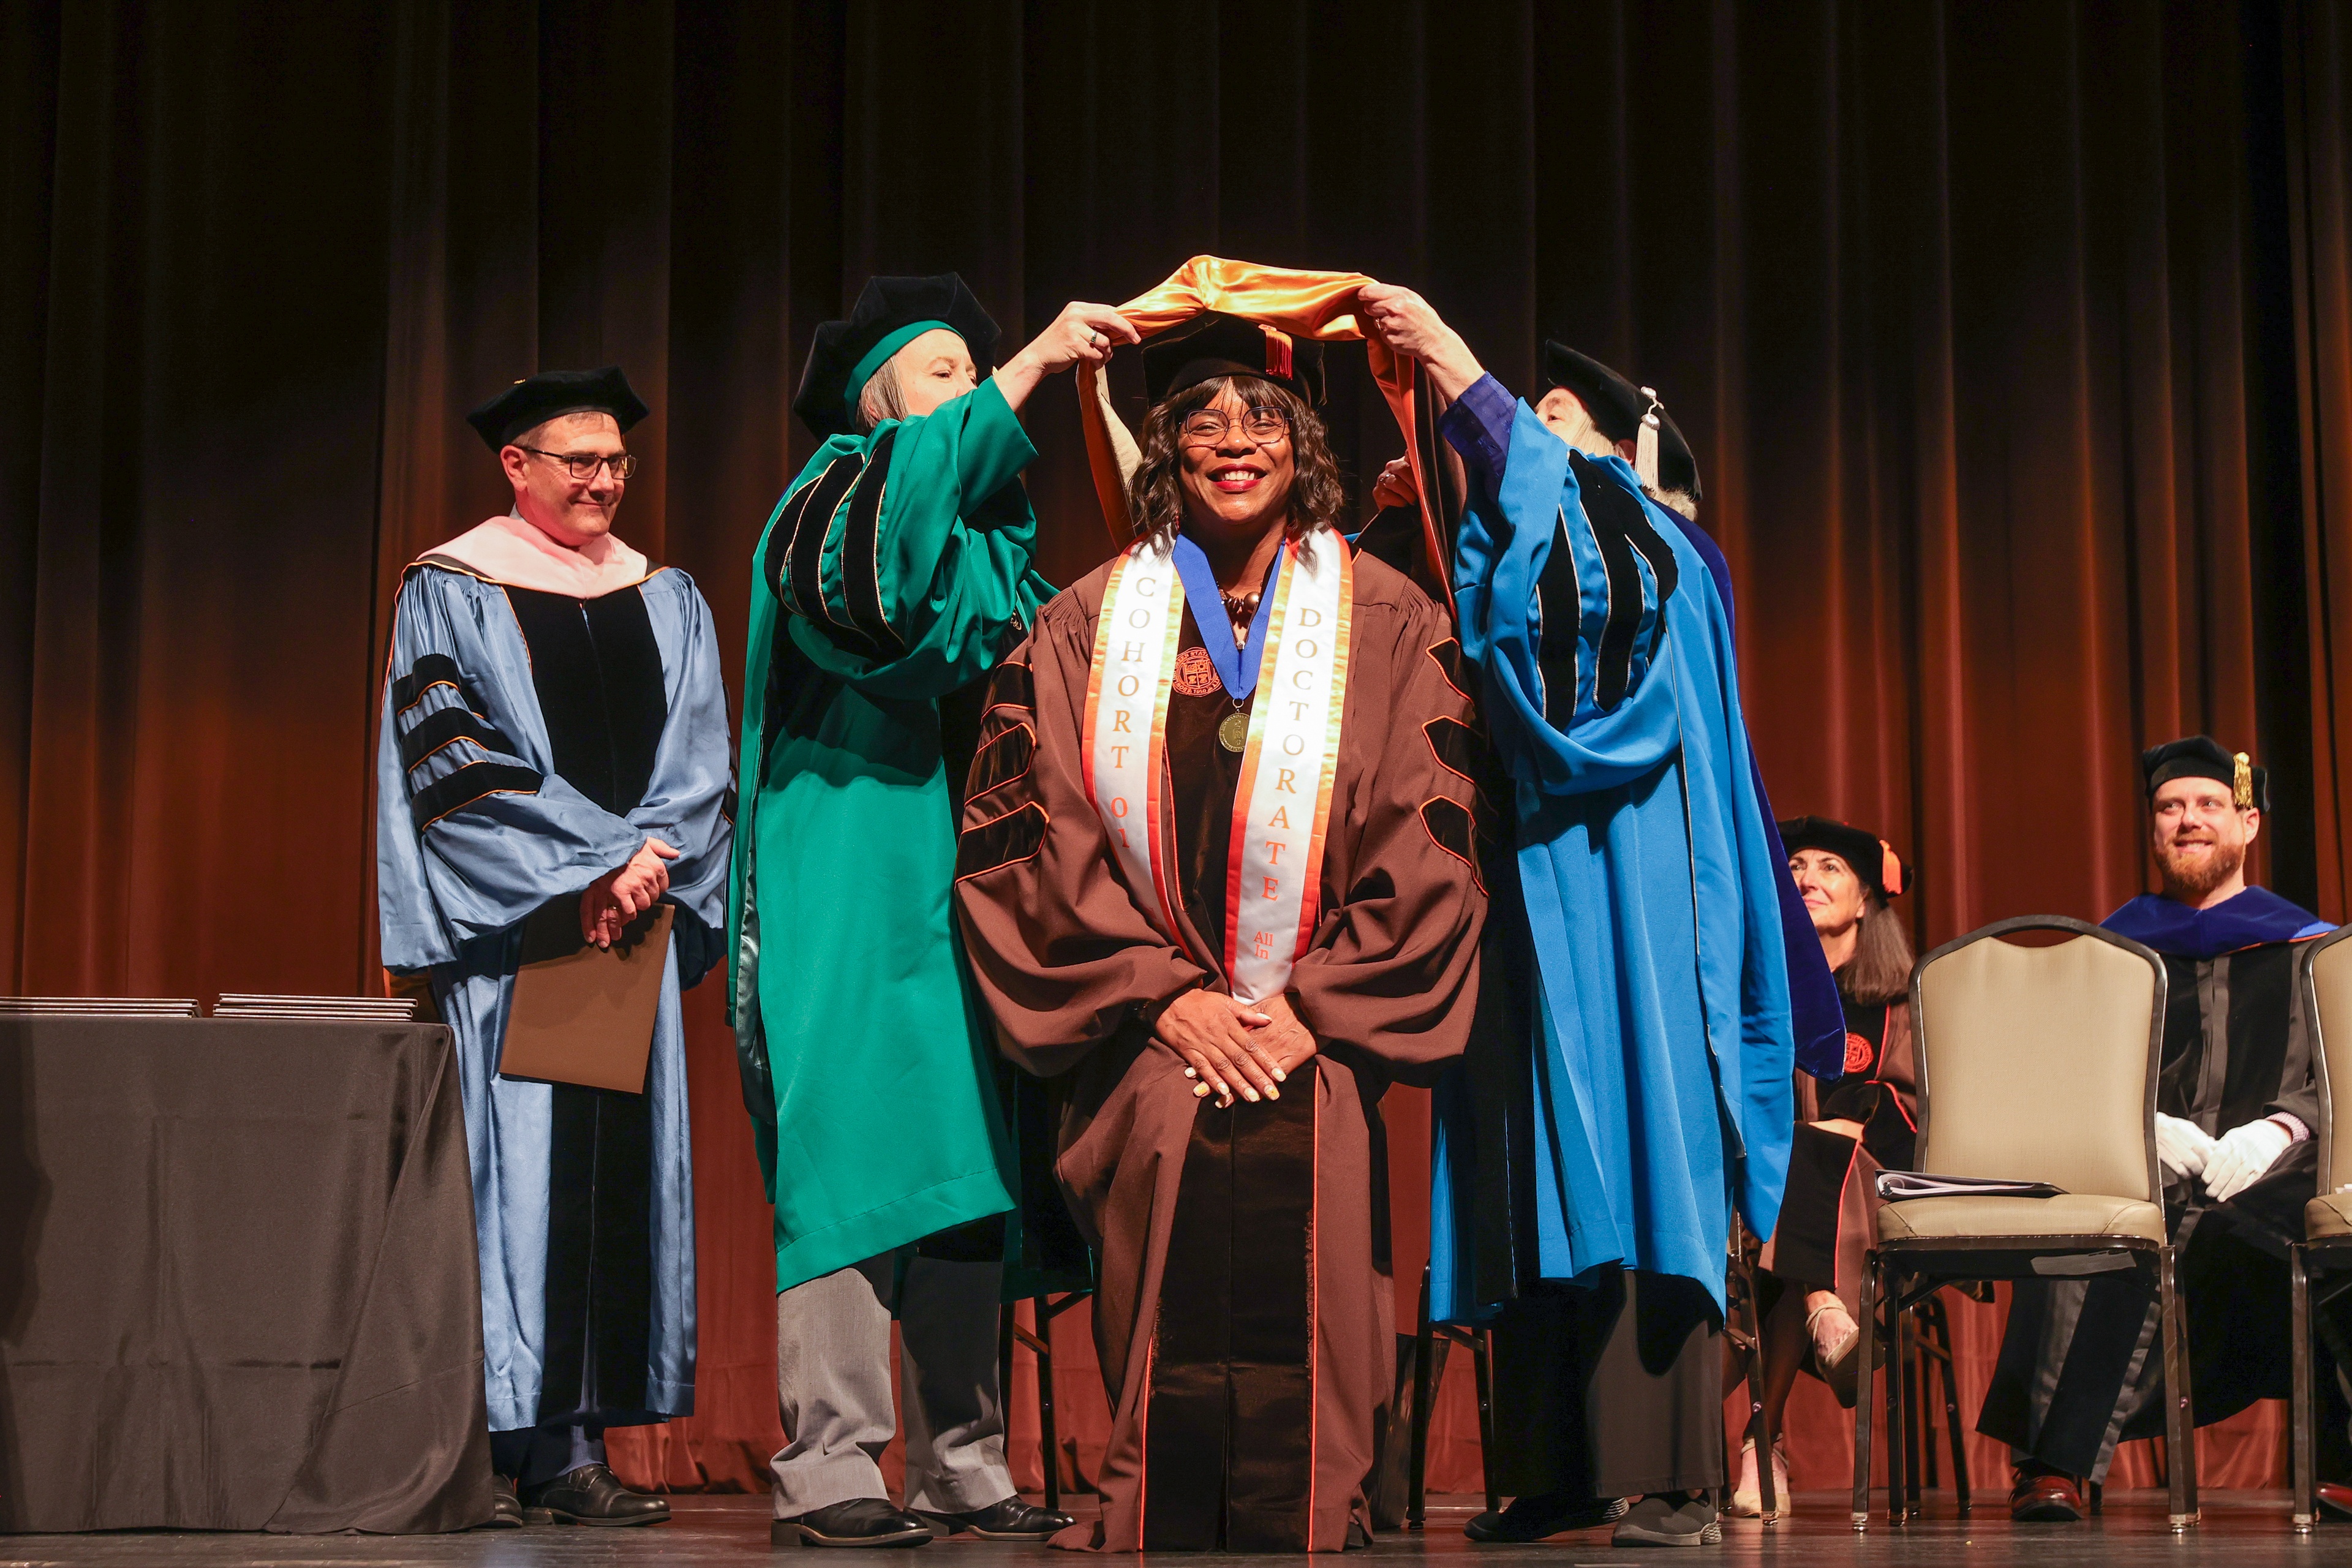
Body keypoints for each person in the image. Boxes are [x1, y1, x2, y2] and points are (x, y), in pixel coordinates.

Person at [953, 311, 1488, 1551]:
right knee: (1167, 1201)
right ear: (1164, 449)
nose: (1232, 440)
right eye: (1202, 418)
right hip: (1149, 1033)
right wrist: (1162, 992)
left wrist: (1308, 1005)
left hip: (1319, 1030)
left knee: (1315, 1264)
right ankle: (1162, 1509)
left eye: (1259, 416)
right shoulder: (1086, 620)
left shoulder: (1389, 614)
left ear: (1300, 441)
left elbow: (1434, 827)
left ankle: (1310, 1509)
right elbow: (1030, 836)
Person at [1360, 288, 1798, 1549]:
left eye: (1554, 421)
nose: (1523, 436)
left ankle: (1673, 1475)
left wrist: (1450, 361)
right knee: (1522, 1158)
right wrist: (1404, 520)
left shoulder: (1642, 534)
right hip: (1506, 884)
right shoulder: (1490, 525)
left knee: (1641, 1131)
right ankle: (1554, 1467)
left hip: (1621, 874)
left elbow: (1568, 664)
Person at [731, 274, 1136, 1548]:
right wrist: (1029, 368)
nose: (977, 384)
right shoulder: (835, 497)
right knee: (859, 1161)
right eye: (948, 369)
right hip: (851, 872)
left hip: (979, 894)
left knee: (970, 1171)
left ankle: (960, 1456)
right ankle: (831, 1459)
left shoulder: (995, 553)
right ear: (876, 399)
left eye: (977, 367)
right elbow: (882, 603)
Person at [376, 367, 734, 1528]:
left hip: (622, 929)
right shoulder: (452, 586)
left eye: (615, 461)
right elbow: (449, 753)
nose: (600, 480)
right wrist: (590, 861)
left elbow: (700, 757)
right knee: (519, 1184)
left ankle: (566, 1450)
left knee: (597, 1188)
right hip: (524, 926)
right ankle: (498, 1445)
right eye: (575, 460)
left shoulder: (666, 593)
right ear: (516, 467)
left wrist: (648, 868)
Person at [1978, 737, 2350, 1521]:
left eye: (2209, 805)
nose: (2188, 821)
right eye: (2169, 808)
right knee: (2090, 1221)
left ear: (2248, 824)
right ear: (2151, 829)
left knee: (2331, 1221)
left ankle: (2346, 1457)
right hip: (2141, 1162)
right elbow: (2057, 1077)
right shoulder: (2108, 954)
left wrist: (2279, 1130)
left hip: (2283, 1166)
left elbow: (2341, 1076)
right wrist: (2135, 1125)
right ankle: (2054, 1464)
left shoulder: (2314, 949)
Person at [1722, 818, 1917, 1517]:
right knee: (1791, 1178)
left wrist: (1846, 1121)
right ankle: (1822, 1312)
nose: (1807, 877)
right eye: (1797, 864)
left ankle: (1762, 1442)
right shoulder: (1761, 991)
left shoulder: (1900, 998)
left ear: (1866, 898)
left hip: (1876, 1186)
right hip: (1778, 1201)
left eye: (1830, 866)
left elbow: (1918, 1107)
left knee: (1811, 1153)